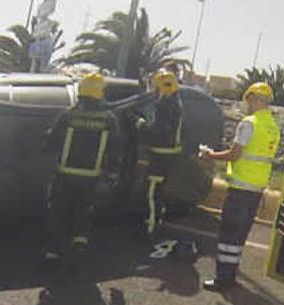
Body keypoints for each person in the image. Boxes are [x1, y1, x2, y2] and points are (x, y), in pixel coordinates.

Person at [201, 82, 281, 292]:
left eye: (248, 100)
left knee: (228, 235)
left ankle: (222, 279)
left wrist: (210, 155)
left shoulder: (249, 123)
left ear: (254, 99)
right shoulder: (273, 126)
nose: (247, 105)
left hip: (240, 190)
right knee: (239, 236)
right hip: (256, 190)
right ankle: (231, 275)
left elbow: (234, 154)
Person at [42, 73, 121, 269]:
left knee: (58, 213)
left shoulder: (68, 115)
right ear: (99, 92)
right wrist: (111, 174)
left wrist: (47, 138)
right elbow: (115, 149)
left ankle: (52, 253)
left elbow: (50, 144)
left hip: (64, 175)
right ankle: (78, 251)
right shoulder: (109, 119)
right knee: (83, 214)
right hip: (90, 178)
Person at [138, 70, 183, 238]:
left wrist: (141, 125)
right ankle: (157, 219)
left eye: (156, 88)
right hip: (168, 153)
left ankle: (151, 226)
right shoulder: (174, 101)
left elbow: (157, 131)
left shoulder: (166, 105)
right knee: (158, 191)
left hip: (160, 154)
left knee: (152, 192)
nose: (154, 91)